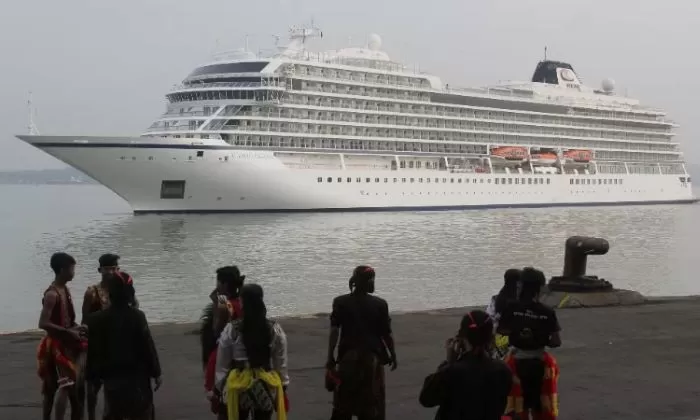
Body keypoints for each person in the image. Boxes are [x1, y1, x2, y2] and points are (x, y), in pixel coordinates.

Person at [85, 271, 162, 420]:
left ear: (109, 292)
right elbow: (147, 346)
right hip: (138, 380)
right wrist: (156, 372)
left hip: (112, 380)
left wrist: (92, 378)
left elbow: (93, 352)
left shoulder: (96, 319)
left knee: (114, 413)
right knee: (142, 413)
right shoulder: (138, 316)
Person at [326, 265, 397, 420]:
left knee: (343, 406)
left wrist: (330, 356)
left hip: (348, 359)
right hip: (372, 361)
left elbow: (334, 331)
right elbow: (386, 334)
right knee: (371, 407)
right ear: (370, 282)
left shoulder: (340, 302)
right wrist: (393, 354)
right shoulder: (380, 304)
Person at [419, 310, 513, 420]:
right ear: (490, 338)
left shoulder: (451, 372)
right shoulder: (503, 370)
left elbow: (426, 399)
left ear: (461, 337)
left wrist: (448, 363)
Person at [214, 283, 289, 420]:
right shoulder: (274, 329)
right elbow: (280, 362)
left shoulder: (233, 329)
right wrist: (283, 385)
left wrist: (219, 388)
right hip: (266, 383)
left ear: (242, 302)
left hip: (238, 385)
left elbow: (222, 363)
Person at [498, 267, 562, 420]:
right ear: (539, 288)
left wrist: (519, 332)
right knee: (542, 406)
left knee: (516, 407)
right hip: (540, 364)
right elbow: (556, 341)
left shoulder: (510, 307)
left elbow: (502, 331)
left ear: (520, 285)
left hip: (515, 363)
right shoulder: (547, 312)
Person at [81, 253, 133, 420]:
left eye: (114, 268)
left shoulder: (121, 289)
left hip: (116, 344)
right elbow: (85, 319)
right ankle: (91, 416)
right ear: (100, 270)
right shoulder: (92, 292)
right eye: (107, 268)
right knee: (93, 386)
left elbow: (133, 310)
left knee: (115, 386)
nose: (111, 272)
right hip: (97, 344)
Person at [37, 252, 87, 420]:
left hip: (66, 342)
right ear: (62, 270)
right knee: (62, 386)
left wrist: (77, 328)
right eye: (72, 269)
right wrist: (68, 332)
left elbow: (66, 320)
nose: (74, 272)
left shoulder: (64, 289)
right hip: (56, 346)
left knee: (68, 390)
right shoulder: (52, 294)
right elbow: (43, 323)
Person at [202, 266, 245, 415]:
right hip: (242, 355)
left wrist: (216, 304)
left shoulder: (224, 305)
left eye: (218, 282)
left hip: (224, 356)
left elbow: (216, 331)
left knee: (222, 404)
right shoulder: (242, 302)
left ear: (225, 284)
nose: (216, 285)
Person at [485, 269, 521, 359]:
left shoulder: (496, 299)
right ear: (518, 282)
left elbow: (490, 319)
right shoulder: (520, 302)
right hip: (515, 341)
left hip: (499, 339)